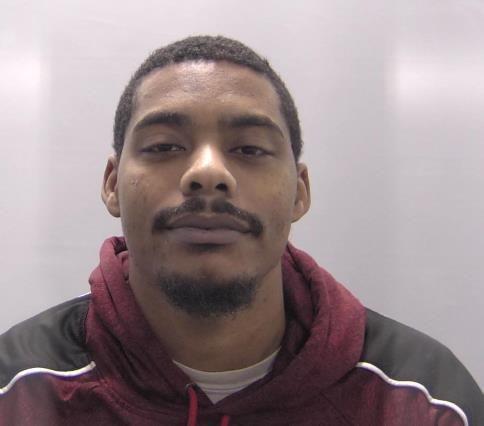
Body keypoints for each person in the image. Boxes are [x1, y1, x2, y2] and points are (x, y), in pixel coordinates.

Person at [0, 35, 482, 426]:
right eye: (164, 146)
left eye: (249, 149)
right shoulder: (15, 392)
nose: (208, 172)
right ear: (112, 184)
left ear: (299, 191)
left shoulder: (426, 403)